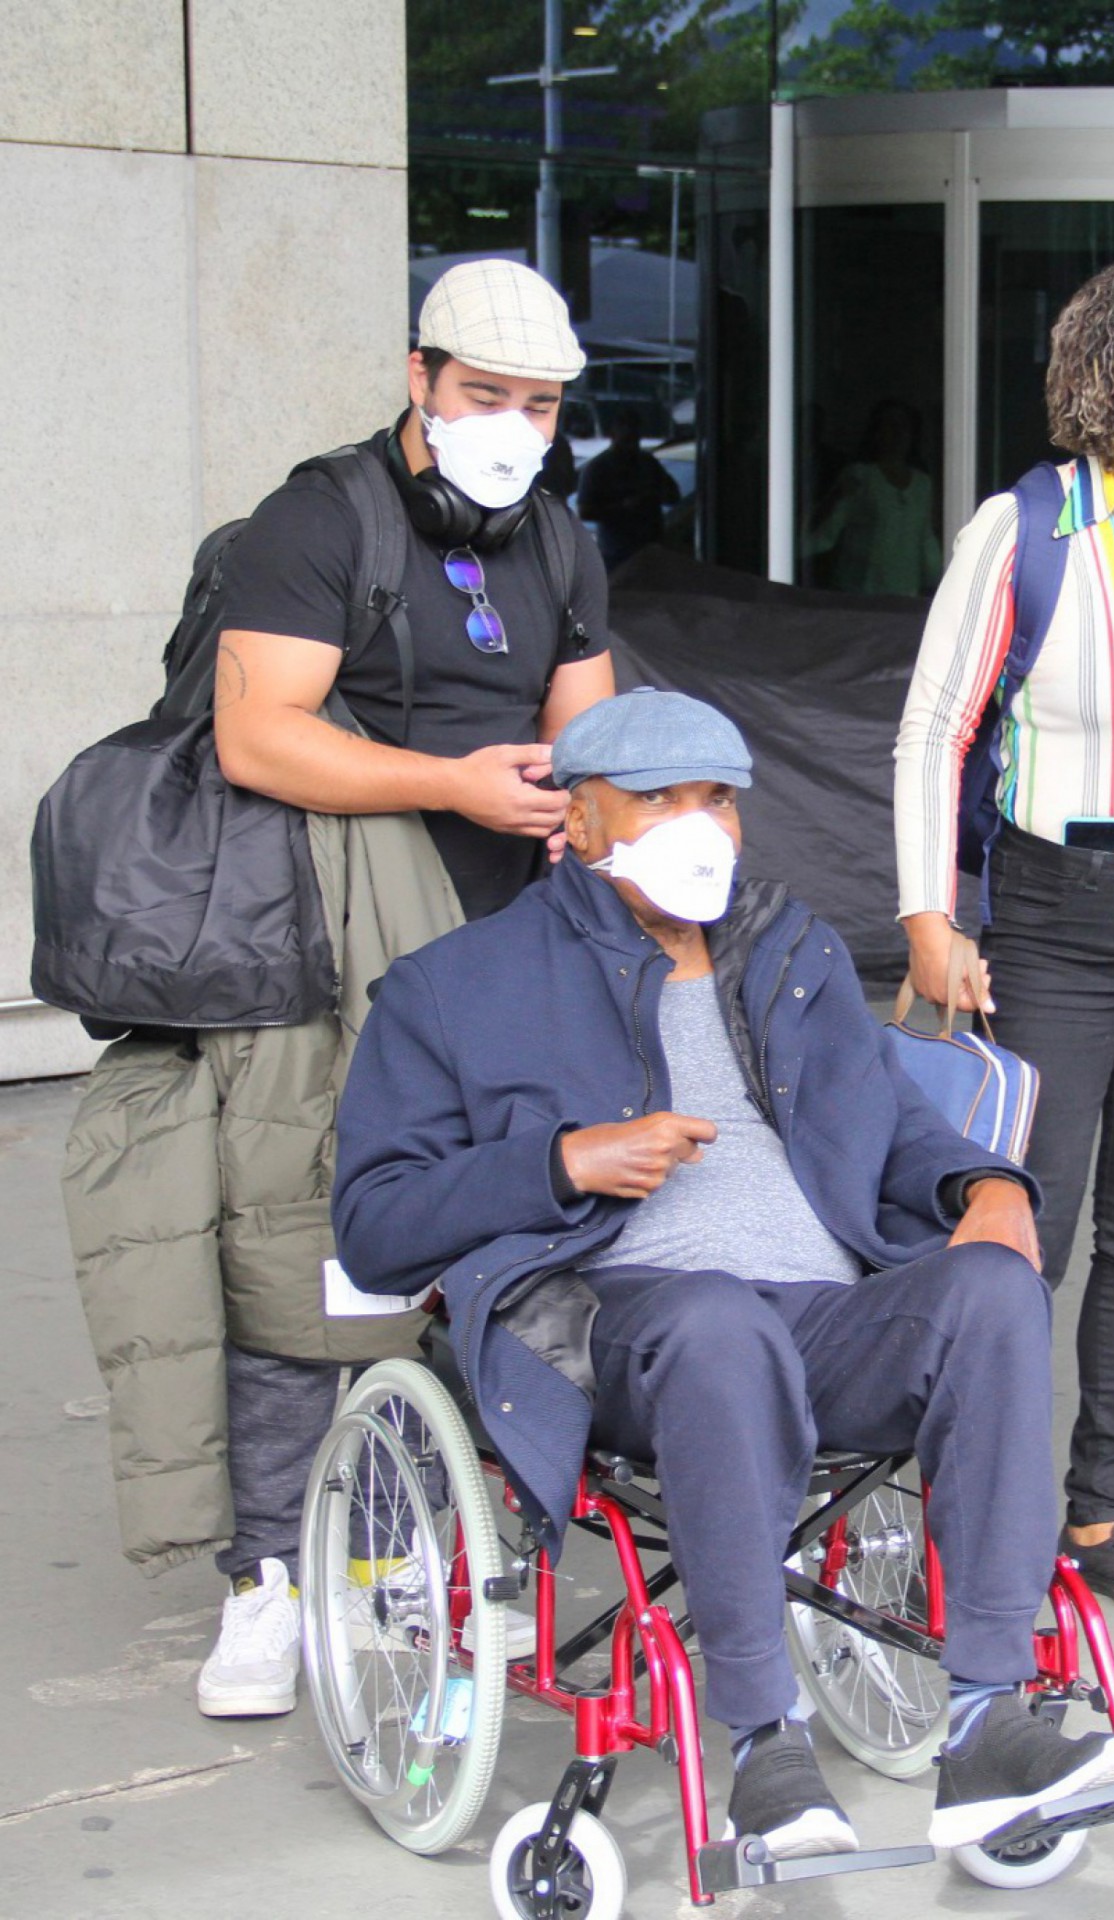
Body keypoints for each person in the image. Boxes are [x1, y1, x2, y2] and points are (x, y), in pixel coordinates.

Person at [334, 687, 1114, 1860]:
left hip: (820, 1314)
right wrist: (559, 1162)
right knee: (718, 1323)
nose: (698, 824)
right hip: (623, 1331)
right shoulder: (455, 988)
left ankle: (987, 1719)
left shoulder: (786, 949)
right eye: (660, 798)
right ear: (583, 817)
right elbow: (372, 1222)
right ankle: (764, 1739)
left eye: (717, 798)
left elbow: (883, 1119)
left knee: (991, 1291)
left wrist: (986, 1185)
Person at [62, 258, 614, 1721]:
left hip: (495, 956)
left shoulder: (554, 541)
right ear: (419, 379)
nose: (513, 424)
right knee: (298, 1256)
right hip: (318, 947)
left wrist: (600, 800)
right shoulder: (323, 521)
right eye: (486, 393)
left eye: (540, 403)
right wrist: (450, 784)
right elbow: (259, 734)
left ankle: (409, 1543)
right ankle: (263, 1579)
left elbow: (588, 726)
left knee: (483, 1240)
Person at [895, 248, 1114, 1624]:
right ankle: (976, 1514)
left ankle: (1097, 1513)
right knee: (1029, 1225)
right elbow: (930, 733)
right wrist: (924, 922)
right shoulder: (1021, 536)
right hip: (1056, 925)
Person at [806, 399, 941, 597]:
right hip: (861, 593)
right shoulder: (859, 476)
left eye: (903, 426)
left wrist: (940, 580)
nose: (897, 433)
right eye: (889, 425)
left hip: (906, 594)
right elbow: (826, 532)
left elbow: (926, 538)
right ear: (876, 433)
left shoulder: (923, 484)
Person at [577, 405, 681, 571]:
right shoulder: (598, 468)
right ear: (613, 435)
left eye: (634, 439)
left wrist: (653, 496)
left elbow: (673, 495)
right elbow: (585, 511)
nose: (631, 446)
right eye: (627, 439)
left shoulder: (648, 463)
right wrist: (624, 507)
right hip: (618, 554)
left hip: (650, 552)